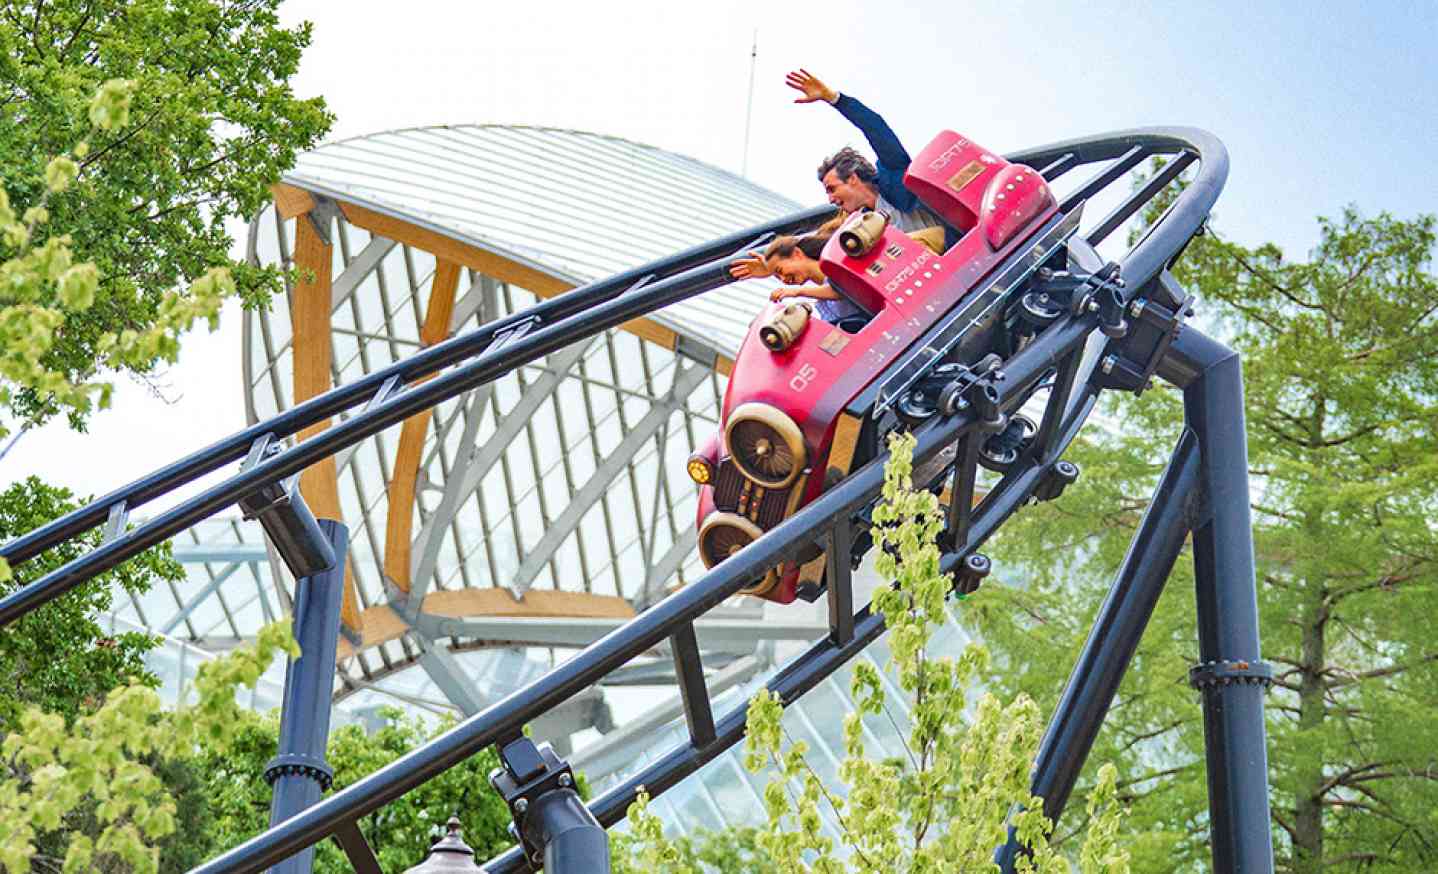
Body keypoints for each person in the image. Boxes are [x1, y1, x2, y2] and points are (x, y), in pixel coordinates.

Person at [786, 69, 949, 237]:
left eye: (831, 189)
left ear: (852, 179)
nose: (831, 200)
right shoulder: (860, 230)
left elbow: (876, 129)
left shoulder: (893, 176)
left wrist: (835, 99)